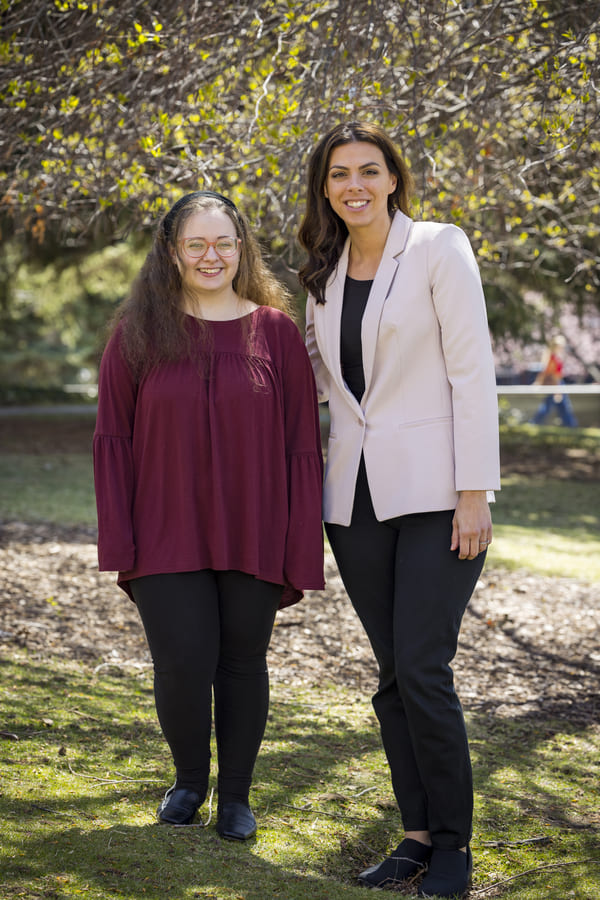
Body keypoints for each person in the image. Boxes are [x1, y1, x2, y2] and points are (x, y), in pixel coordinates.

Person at [298, 123, 500, 898]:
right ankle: (415, 836)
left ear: (392, 179)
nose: (355, 185)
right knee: (392, 676)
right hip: (353, 500)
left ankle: (453, 845)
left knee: (423, 666)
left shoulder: (440, 248)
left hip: (440, 495)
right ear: (325, 188)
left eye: (369, 171)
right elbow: (321, 386)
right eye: (339, 174)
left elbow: (471, 373)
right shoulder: (322, 274)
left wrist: (474, 491)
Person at [93, 190, 324, 840]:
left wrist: (299, 543)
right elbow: (112, 438)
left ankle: (237, 799)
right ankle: (190, 780)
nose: (211, 255)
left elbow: (301, 445)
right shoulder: (138, 331)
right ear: (172, 252)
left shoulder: (275, 333)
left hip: (255, 528)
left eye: (223, 242)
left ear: (242, 248)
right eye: (196, 243)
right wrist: (120, 537)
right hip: (163, 530)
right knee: (182, 663)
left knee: (243, 662)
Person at [530, 335, 578, 427]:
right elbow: (553, 376)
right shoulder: (553, 359)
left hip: (556, 384)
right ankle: (534, 423)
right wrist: (557, 390)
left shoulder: (551, 357)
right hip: (556, 385)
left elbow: (544, 372)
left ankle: (571, 426)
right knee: (553, 407)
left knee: (560, 407)